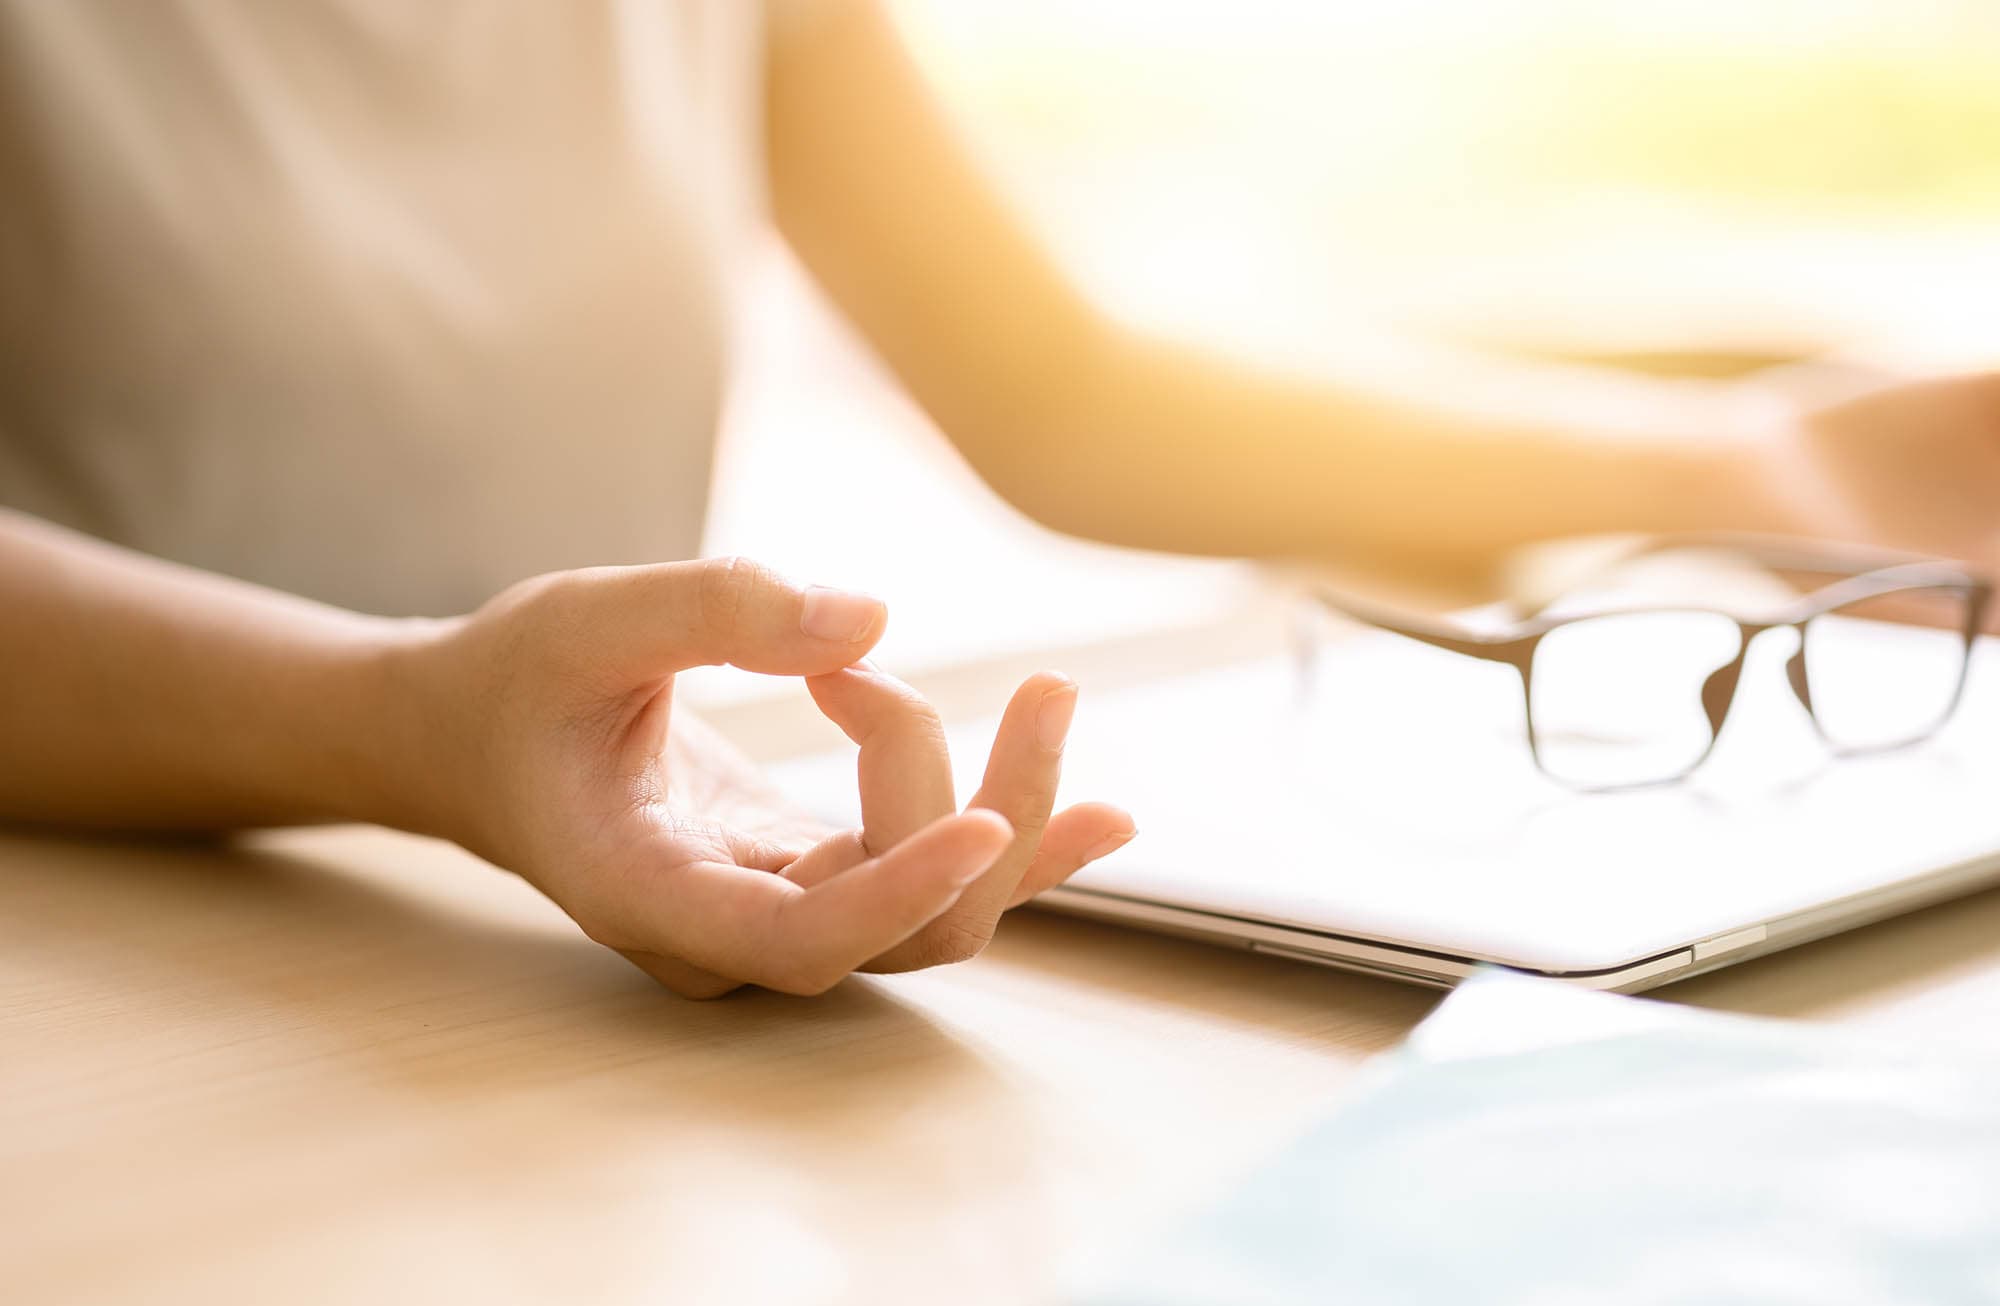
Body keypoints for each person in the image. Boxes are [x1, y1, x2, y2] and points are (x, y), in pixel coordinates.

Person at [1, 1, 1995, 997]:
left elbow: (1060, 388)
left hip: (534, 969)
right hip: (105, 986)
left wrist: (1750, 462)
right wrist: (403, 721)